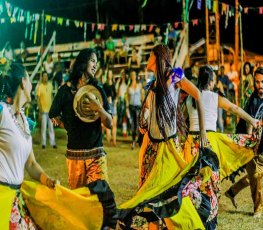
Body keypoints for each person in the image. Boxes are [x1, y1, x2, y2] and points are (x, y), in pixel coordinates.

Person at [118, 44, 209, 229]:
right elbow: (149, 109)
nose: (148, 60)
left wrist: (203, 131)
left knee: (170, 192)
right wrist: (144, 116)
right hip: (151, 146)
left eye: (150, 56)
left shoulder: (174, 75)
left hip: (168, 148)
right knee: (148, 191)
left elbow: (198, 95)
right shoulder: (154, 82)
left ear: (158, 57)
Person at [49, 48, 117, 229]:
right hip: (74, 157)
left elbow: (109, 123)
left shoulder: (98, 89)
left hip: (96, 154)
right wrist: (68, 126)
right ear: (83, 62)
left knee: (101, 199)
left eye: (97, 61)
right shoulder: (65, 90)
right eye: (92, 61)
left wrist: (98, 108)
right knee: (78, 202)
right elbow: (53, 113)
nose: (95, 65)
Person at [0, 62, 56, 229]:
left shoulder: (25, 122)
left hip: (16, 199)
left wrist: (47, 180)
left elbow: (31, 164)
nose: (32, 86)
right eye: (31, 81)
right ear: (24, 82)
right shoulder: (2, 112)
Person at [184, 65, 261, 173]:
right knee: (207, 178)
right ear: (211, 82)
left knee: (189, 177)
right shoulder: (214, 97)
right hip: (209, 141)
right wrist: (252, 120)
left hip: (191, 142)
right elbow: (234, 108)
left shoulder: (189, 97)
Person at [225, 66, 263, 218]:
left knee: (255, 175)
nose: (260, 85)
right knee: (255, 176)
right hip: (254, 145)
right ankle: (258, 208)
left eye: (262, 82)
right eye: (257, 82)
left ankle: (232, 191)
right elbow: (248, 125)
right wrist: (250, 146)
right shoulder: (253, 100)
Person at [36, 71, 57, 149]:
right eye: (44, 76)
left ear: (47, 77)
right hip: (43, 111)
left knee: (51, 127)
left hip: (50, 110)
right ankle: (43, 143)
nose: (45, 77)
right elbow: (38, 99)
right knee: (43, 127)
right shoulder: (40, 87)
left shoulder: (50, 85)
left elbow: (51, 96)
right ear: (42, 77)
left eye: (46, 76)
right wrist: (40, 108)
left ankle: (52, 142)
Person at [126, 70, 144, 149]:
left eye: (134, 75)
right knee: (132, 125)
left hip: (138, 107)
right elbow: (127, 98)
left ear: (136, 76)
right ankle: (133, 140)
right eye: (132, 75)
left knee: (138, 124)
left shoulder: (139, 85)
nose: (133, 76)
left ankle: (139, 139)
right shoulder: (128, 86)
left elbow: (142, 96)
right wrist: (126, 108)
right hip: (131, 107)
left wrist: (144, 106)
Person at [103, 69, 117, 146]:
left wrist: (116, 100)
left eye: (111, 74)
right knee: (108, 124)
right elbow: (102, 96)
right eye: (109, 74)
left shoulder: (114, 85)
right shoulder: (104, 85)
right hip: (107, 105)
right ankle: (108, 140)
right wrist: (106, 99)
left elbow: (116, 95)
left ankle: (114, 141)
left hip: (113, 105)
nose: (110, 75)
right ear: (107, 75)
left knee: (114, 124)